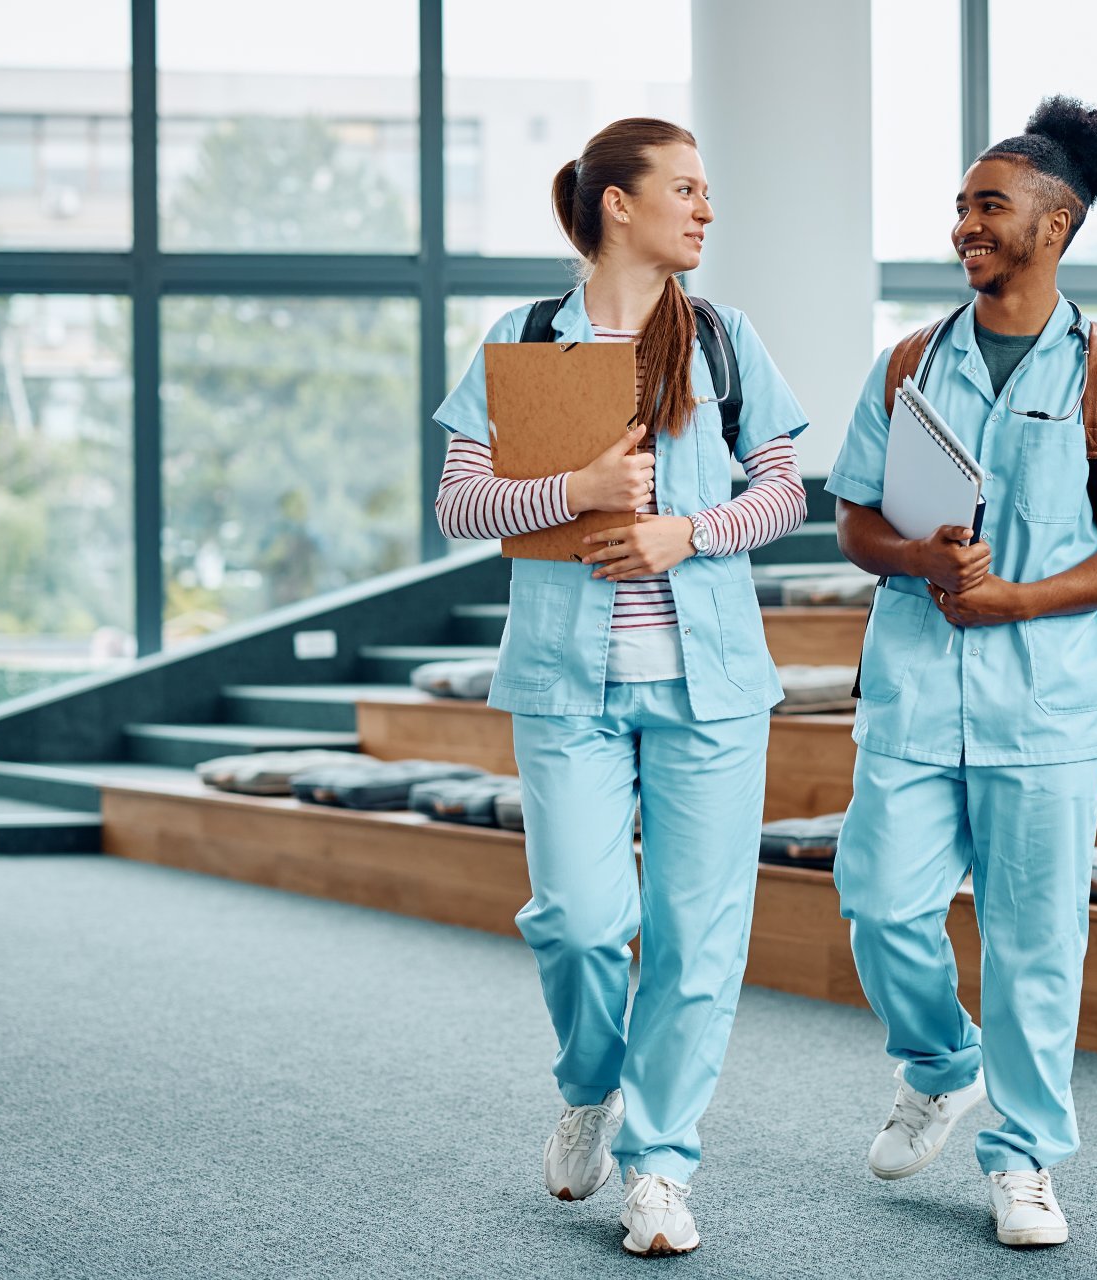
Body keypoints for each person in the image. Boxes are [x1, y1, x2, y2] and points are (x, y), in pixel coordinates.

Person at [433, 117, 808, 1258]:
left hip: (712, 686)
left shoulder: (727, 339)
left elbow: (788, 488)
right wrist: (577, 485)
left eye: (707, 189)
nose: (705, 209)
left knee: (698, 940)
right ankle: (591, 1081)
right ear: (618, 205)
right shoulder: (523, 338)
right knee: (582, 923)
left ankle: (660, 1167)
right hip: (565, 684)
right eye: (685, 189)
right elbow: (461, 504)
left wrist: (686, 533)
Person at [823, 97, 1097, 1249]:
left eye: (990, 206)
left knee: (1036, 945)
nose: (964, 227)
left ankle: (1025, 1157)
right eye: (963, 207)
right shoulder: (903, 365)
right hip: (917, 694)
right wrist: (913, 555)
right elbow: (852, 519)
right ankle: (940, 1060)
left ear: (1056, 222)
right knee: (878, 902)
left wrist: (1021, 597)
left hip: (1048, 704)